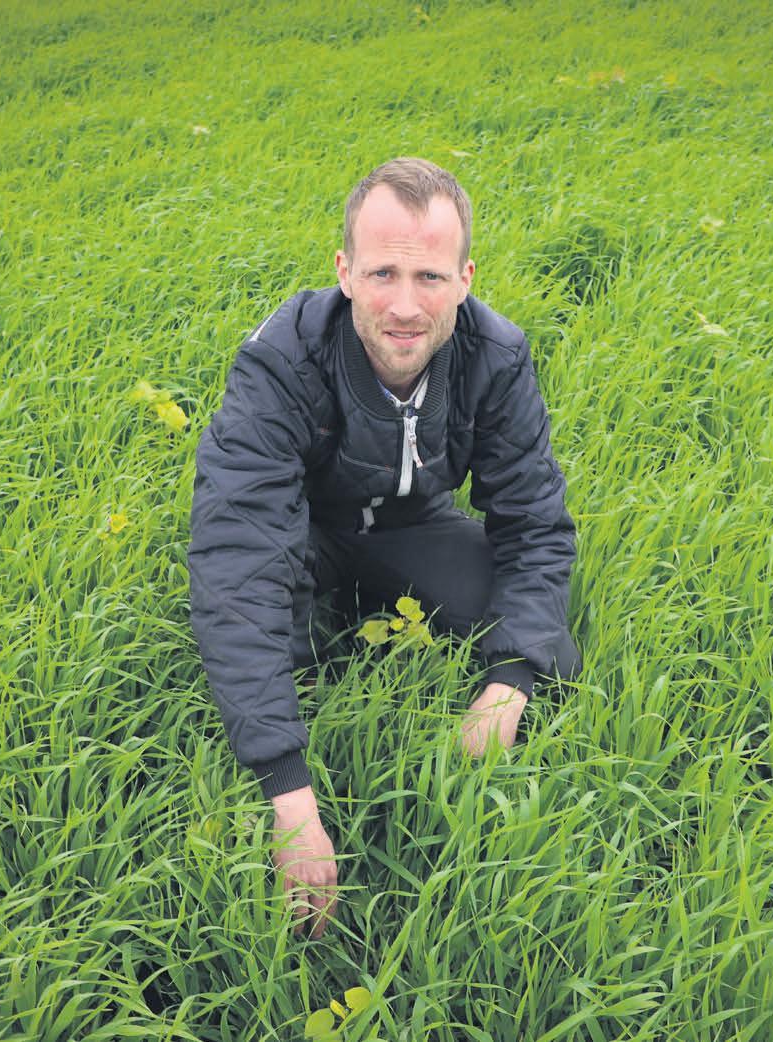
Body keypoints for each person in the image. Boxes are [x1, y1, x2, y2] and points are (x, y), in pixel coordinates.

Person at [189, 157, 581, 936]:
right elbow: (239, 561)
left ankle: (423, 648)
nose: (405, 306)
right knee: (259, 625)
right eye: (382, 274)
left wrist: (507, 684)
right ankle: (307, 668)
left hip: (411, 528)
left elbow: (534, 523)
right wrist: (288, 793)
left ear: (465, 280)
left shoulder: (496, 356)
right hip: (304, 534)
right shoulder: (279, 363)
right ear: (344, 272)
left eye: (429, 277)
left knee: (552, 663)